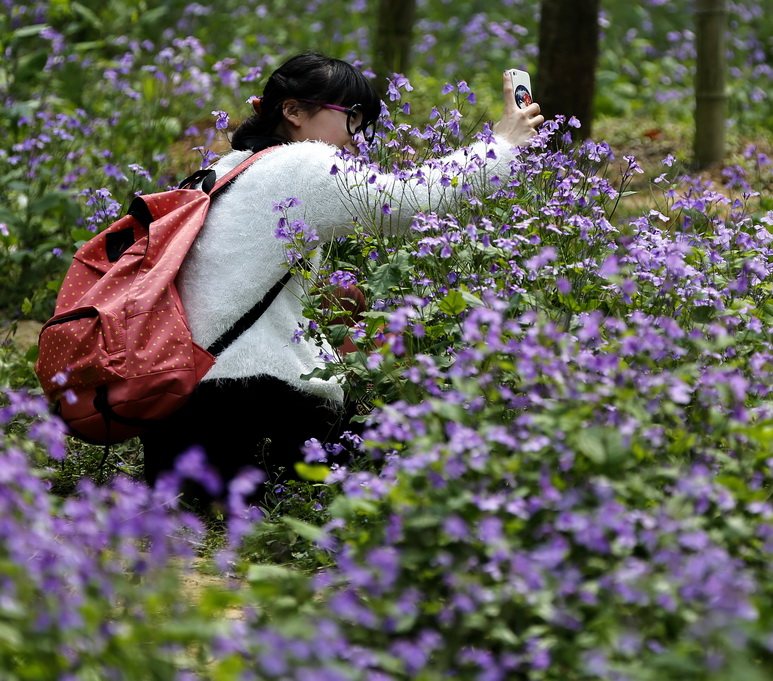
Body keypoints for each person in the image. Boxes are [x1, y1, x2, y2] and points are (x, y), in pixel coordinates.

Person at [141, 52, 544, 507]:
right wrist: (503, 145)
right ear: (292, 112)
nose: (358, 138)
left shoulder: (224, 168)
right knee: (390, 450)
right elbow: (417, 199)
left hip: (176, 399)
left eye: (365, 124)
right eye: (350, 118)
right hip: (249, 393)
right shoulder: (302, 164)